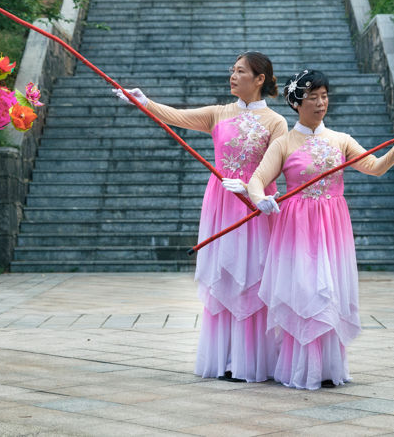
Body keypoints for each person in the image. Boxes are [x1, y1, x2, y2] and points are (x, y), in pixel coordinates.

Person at [235, 69, 394, 390]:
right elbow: (257, 180)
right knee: (304, 291)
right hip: (296, 229)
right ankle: (300, 367)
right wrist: (260, 199)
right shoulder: (283, 144)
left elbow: (375, 167)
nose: (321, 103)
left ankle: (326, 368)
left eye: (324, 97)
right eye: (313, 97)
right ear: (296, 103)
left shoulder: (341, 140)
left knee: (329, 292)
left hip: (332, 227)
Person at [114, 52, 288, 383]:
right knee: (224, 273)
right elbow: (176, 116)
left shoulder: (276, 122)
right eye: (232, 70)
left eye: (240, 71)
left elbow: (276, 164)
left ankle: (252, 360)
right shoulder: (217, 113)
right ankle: (225, 358)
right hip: (222, 202)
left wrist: (254, 190)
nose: (233, 76)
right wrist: (144, 101)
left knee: (252, 274)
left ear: (260, 79)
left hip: (254, 204)